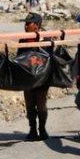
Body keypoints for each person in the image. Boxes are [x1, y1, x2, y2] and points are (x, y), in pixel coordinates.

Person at [21, 12, 50, 141]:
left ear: (37, 25)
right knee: (30, 106)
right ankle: (32, 129)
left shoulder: (46, 39)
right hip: (27, 79)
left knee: (42, 106)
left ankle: (42, 129)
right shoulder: (22, 39)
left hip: (41, 80)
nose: (26, 26)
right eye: (26, 23)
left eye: (29, 23)